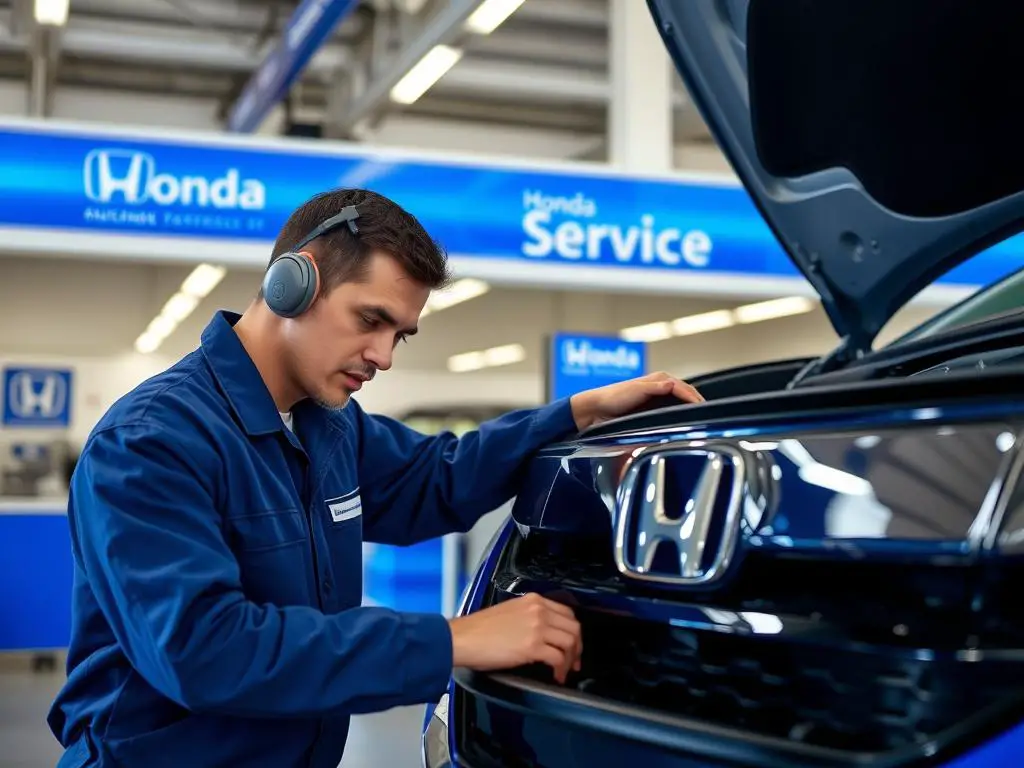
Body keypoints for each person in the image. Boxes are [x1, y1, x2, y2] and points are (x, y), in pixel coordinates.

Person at [47, 188, 703, 767]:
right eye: (371, 320)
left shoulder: (330, 427)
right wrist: (451, 641)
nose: (384, 356)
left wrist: (576, 413)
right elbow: (204, 650)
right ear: (292, 284)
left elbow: (437, 478)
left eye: (401, 335)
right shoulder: (152, 442)